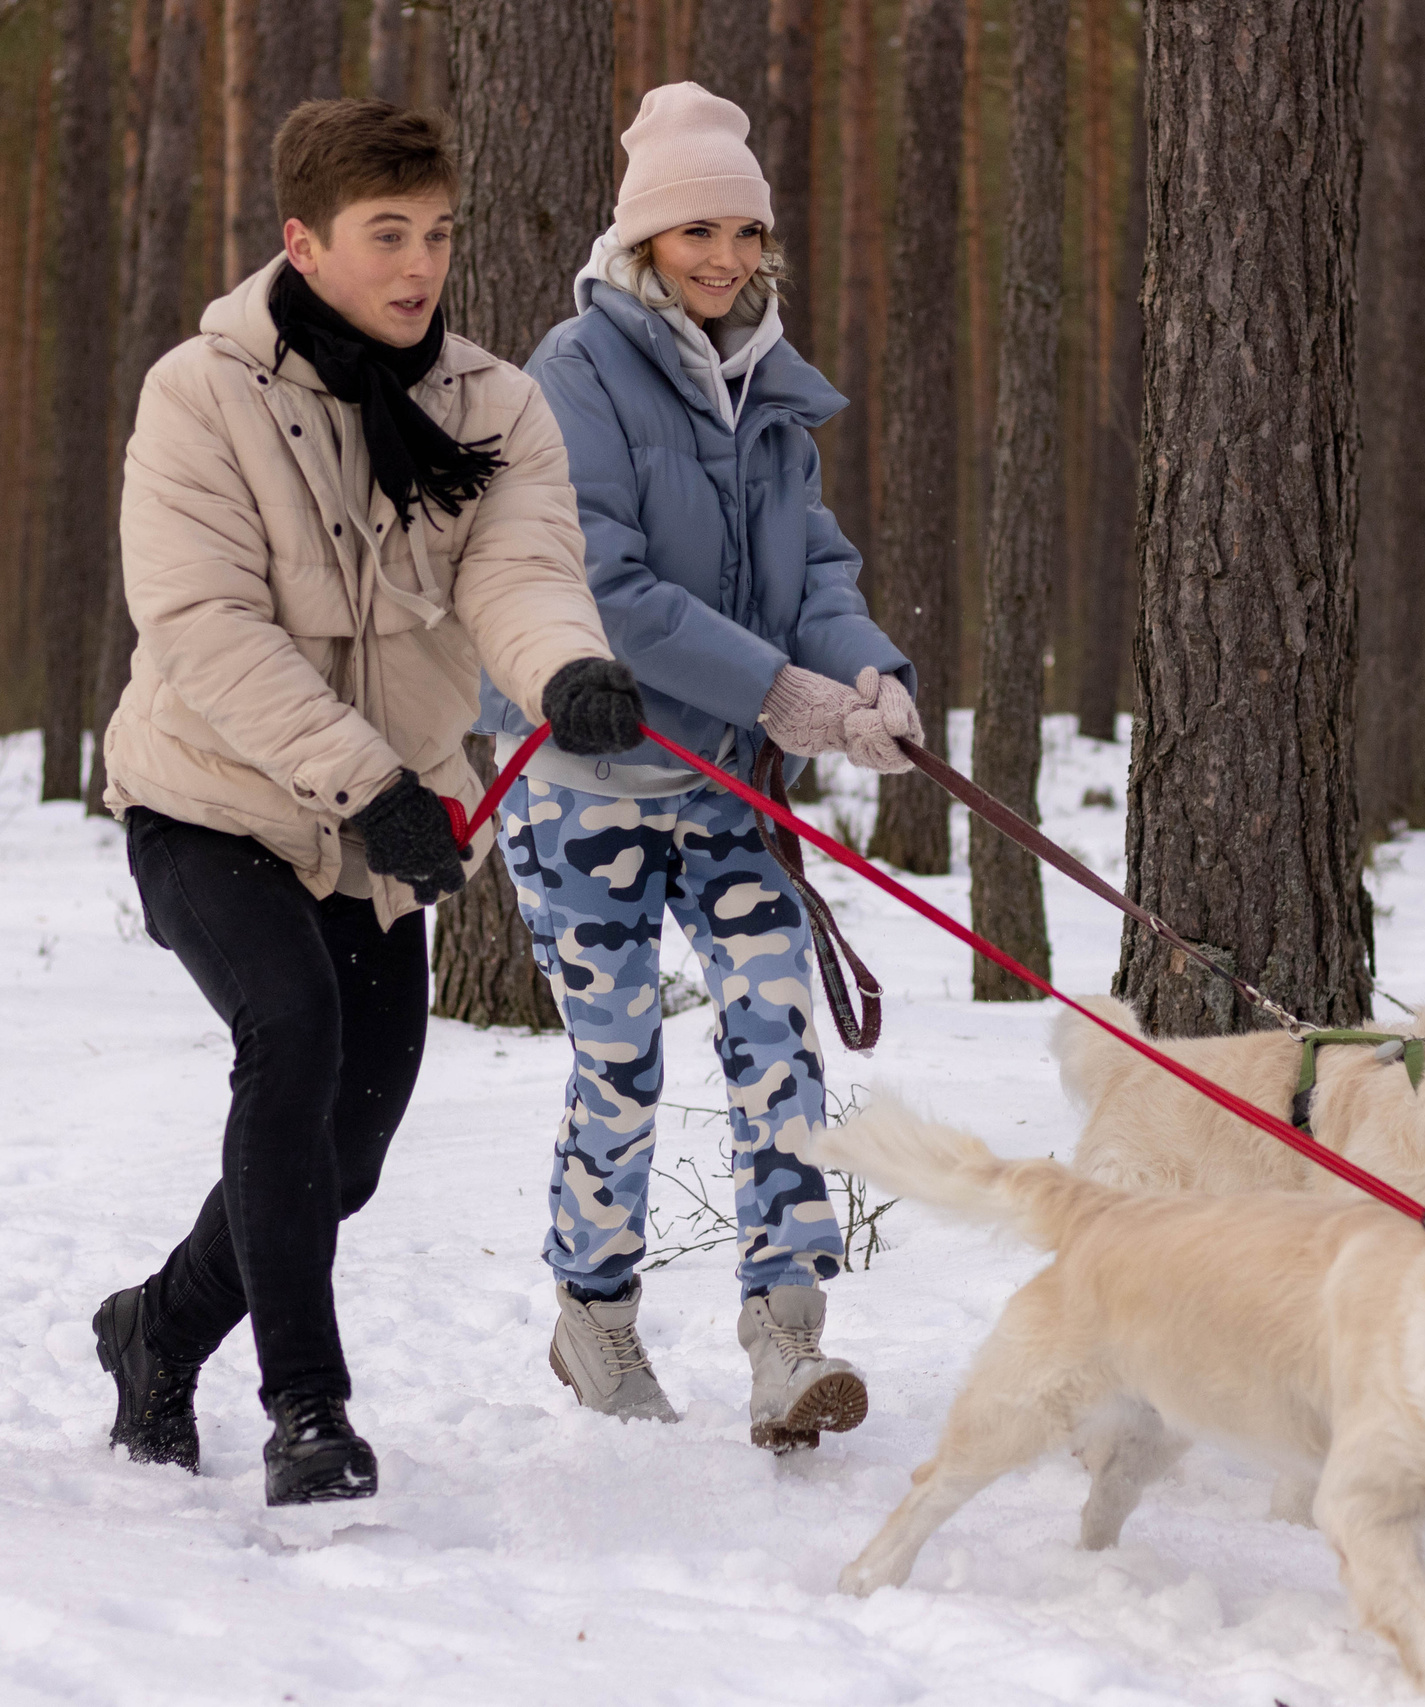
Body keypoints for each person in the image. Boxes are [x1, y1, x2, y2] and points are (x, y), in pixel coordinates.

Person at [89, 97, 646, 1505]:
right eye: (386, 235)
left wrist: (569, 670)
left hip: (383, 830)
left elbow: (516, 574)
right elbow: (205, 626)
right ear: (304, 242)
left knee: (345, 1155)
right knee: (293, 1032)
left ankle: (152, 1329)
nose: (419, 266)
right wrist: (376, 781)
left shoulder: (491, 405)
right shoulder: (198, 395)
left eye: (438, 235)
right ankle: (308, 1411)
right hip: (210, 802)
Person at [480, 82, 922, 1453]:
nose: (723, 258)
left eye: (743, 230)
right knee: (617, 1061)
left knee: (777, 1043)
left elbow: (818, 572)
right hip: (579, 777)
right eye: (694, 233)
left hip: (722, 783)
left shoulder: (770, 386)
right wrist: (784, 693)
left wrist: (865, 676)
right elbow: (600, 584)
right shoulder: (573, 374)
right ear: (642, 242)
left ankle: (787, 1343)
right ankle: (593, 1313)